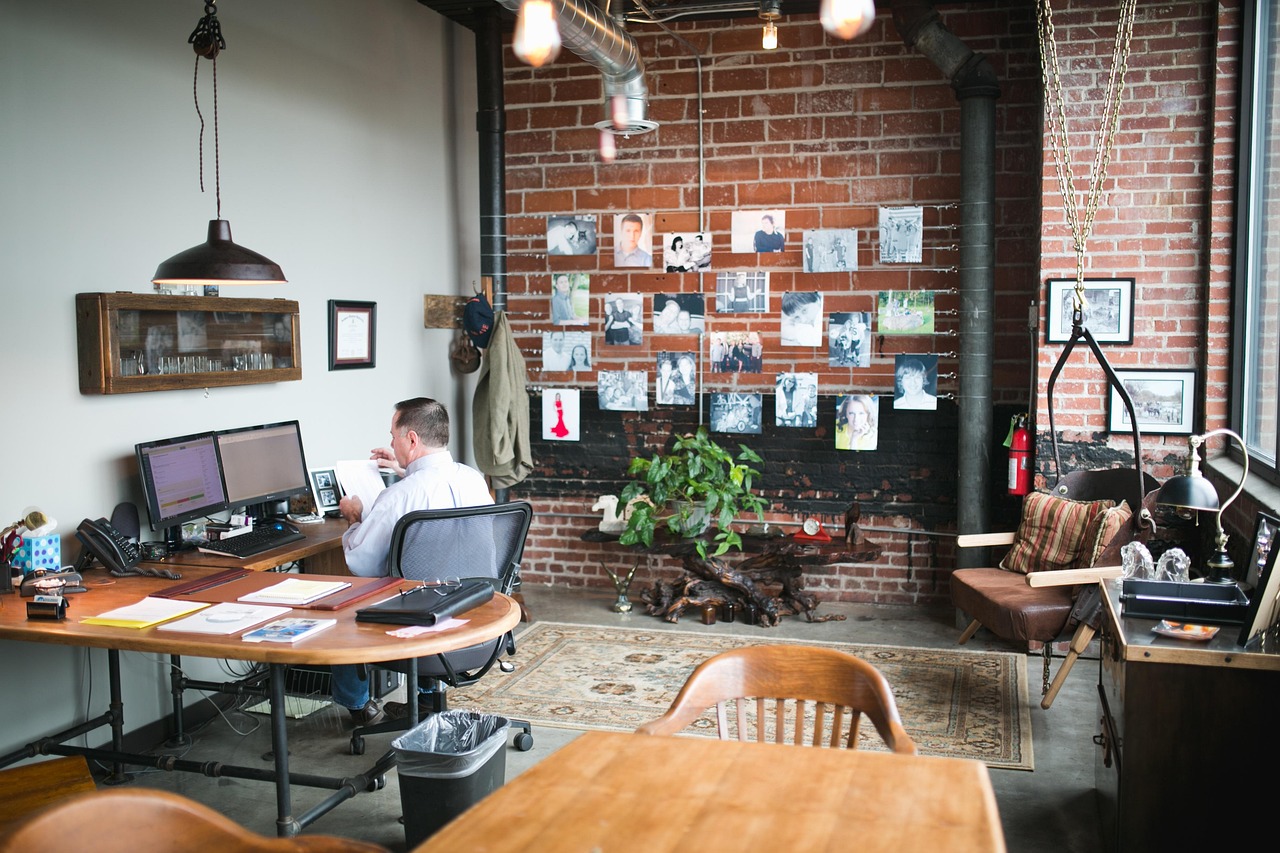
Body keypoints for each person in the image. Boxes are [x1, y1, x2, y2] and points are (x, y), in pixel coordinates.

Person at [330, 398, 493, 725]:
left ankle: (359, 707)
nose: (391, 443)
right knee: (426, 585)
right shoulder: (473, 479)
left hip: (422, 624)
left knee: (341, 610)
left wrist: (355, 518)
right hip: (477, 613)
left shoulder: (400, 496)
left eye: (394, 436)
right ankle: (427, 697)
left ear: (413, 439)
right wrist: (404, 468)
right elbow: (435, 486)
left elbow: (360, 562)